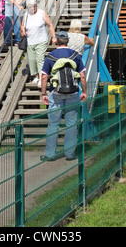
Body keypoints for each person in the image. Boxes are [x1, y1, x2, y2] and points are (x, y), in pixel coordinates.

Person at [40, 31, 87, 161]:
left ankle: (49, 154)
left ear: (56, 41)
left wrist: (43, 93)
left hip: (55, 93)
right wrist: (84, 91)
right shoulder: (76, 55)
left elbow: (44, 77)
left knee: (53, 124)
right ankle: (70, 154)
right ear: (68, 41)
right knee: (71, 123)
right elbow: (82, 76)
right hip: (73, 93)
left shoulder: (50, 56)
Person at [21, 0, 57, 87]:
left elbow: (50, 25)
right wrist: (23, 30)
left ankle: (42, 79)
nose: (32, 8)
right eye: (30, 7)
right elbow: (22, 25)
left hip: (41, 40)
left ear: (36, 5)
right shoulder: (26, 14)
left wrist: (53, 37)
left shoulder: (42, 13)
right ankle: (36, 76)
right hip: (30, 41)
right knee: (32, 60)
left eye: (33, 6)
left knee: (40, 59)